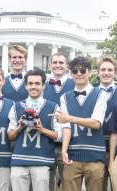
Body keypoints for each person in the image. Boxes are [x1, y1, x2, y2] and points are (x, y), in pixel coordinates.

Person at [56, 56, 108, 191]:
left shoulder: (100, 94)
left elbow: (96, 123)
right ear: (70, 73)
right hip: (72, 156)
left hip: (95, 156)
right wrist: (64, 150)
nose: (79, 74)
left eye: (83, 70)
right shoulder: (65, 97)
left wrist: (69, 118)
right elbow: (66, 128)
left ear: (89, 72)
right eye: (74, 70)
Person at [8, 68, 62, 191]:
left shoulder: (53, 107)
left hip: (42, 160)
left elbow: (60, 135)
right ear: (26, 86)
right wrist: (19, 127)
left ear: (44, 86)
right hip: (19, 160)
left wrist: (42, 129)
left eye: (37, 84)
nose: (34, 87)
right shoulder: (16, 106)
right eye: (30, 83)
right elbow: (10, 136)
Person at [43, 52, 74, 191]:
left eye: (61, 62)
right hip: (46, 141)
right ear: (50, 65)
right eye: (55, 62)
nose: (58, 65)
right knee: (46, 184)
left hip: (69, 143)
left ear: (66, 66)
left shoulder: (74, 84)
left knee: (68, 183)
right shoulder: (42, 85)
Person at [97, 56, 117, 191]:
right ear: (97, 72)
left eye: (110, 70)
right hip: (97, 149)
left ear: (115, 73)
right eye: (103, 69)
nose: (106, 73)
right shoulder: (91, 92)